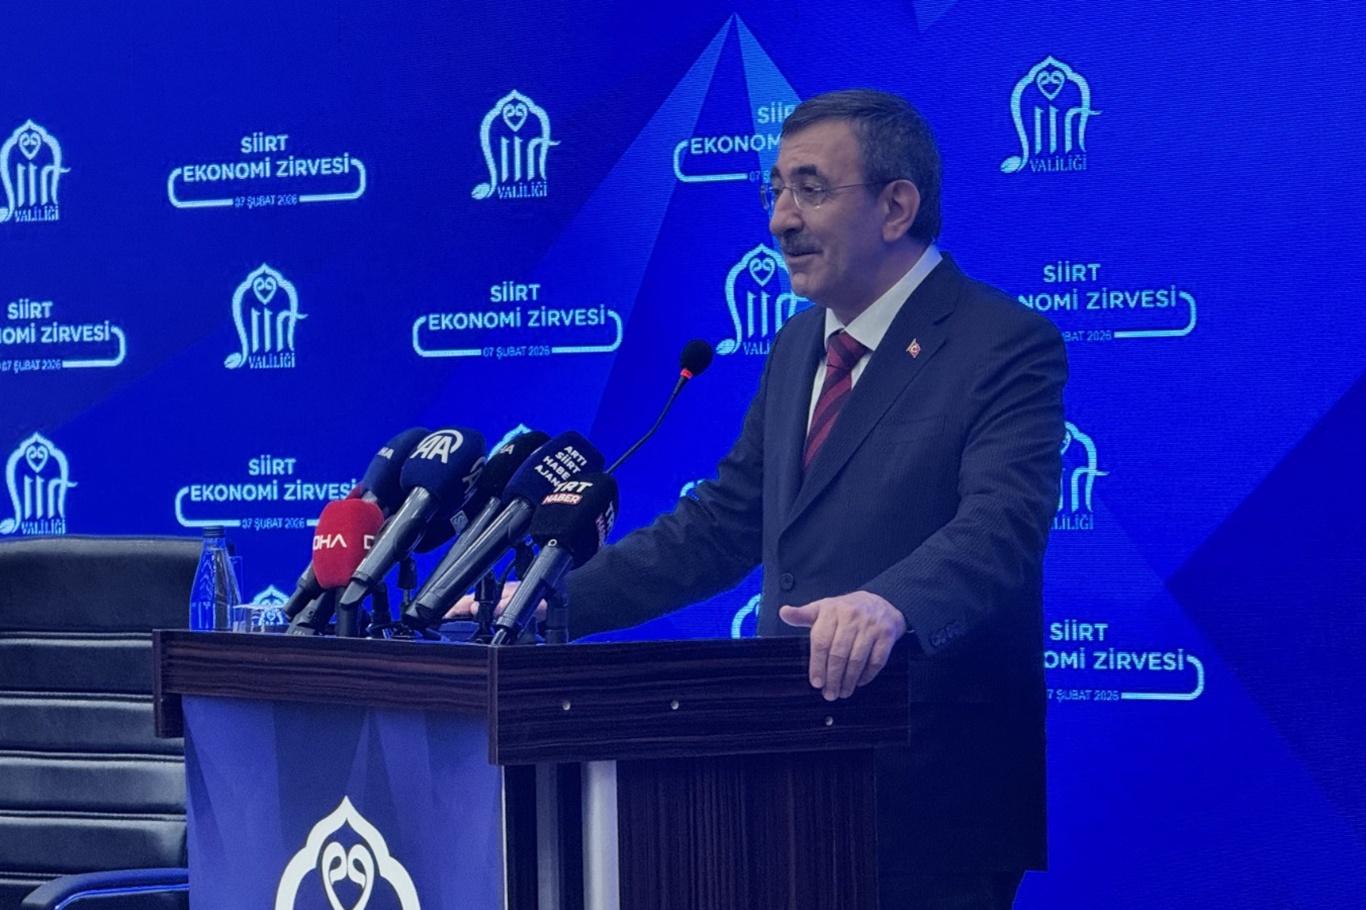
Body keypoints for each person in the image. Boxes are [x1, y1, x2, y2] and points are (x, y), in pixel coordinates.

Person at [467, 89, 1067, 909]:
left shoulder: (1002, 341)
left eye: (810, 190)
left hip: (930, 782)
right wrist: (545, 603)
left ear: (896, 206)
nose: (781, 219)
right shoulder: (797, 343)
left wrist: (891, 603)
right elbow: (723, 524)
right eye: (775, 190)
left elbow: (1003, 523)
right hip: (786, 769)